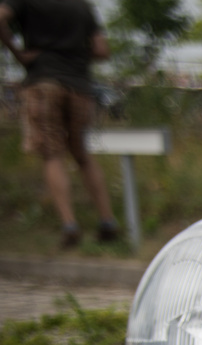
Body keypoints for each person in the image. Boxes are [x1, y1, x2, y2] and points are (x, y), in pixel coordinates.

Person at [0, 0, 119, 247]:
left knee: (52, 154)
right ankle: (107, 220)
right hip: (79, 86)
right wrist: (72, 52)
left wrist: (18, 52)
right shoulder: (82, 6)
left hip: (44, 82)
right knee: (82, 155)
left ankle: (70, 225)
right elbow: (102, 50)